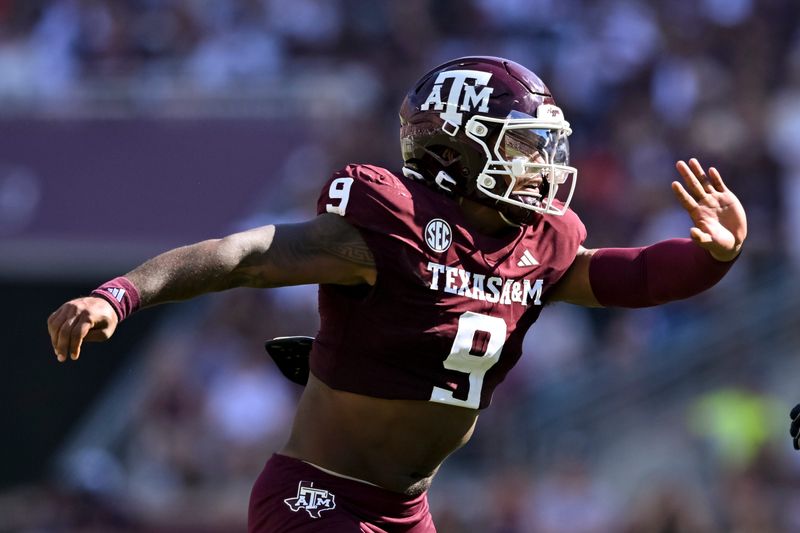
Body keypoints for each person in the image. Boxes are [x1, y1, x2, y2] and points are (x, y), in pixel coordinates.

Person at [47, 56, 747, 532]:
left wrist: (712, 254)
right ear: (454, 150)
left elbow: (637, 277)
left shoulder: (542, 242)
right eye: (521, 145)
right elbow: (247, 256)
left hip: (406, 510)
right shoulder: (391, 220)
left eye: (544, 147)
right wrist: (121, 293)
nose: (541, 166)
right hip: (316, 495)